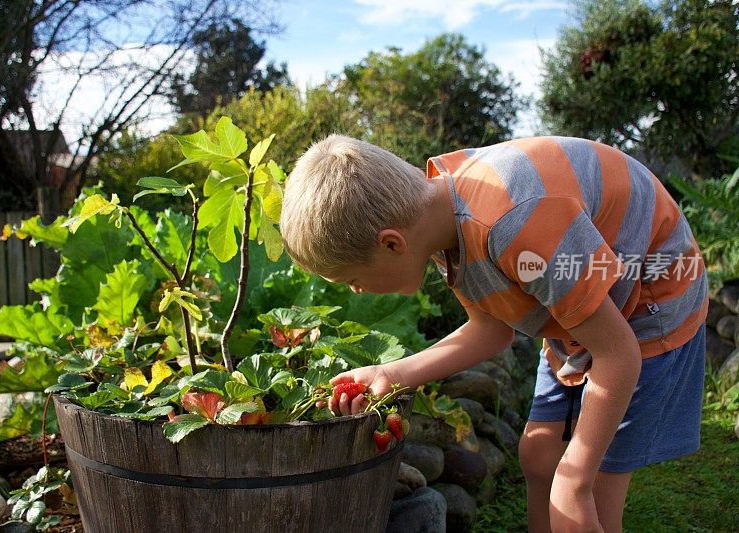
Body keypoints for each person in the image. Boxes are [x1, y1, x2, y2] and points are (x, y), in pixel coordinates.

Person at [280, 134, 707, 533]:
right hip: (587, 309)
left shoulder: (512, 223)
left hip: (649, 302)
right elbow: (491, 330)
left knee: (591, 484)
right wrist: (392, 374)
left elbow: (617, 354)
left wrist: (575, 478)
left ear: (392, 244)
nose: (356, 290)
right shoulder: (437, 219)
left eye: (351, 278)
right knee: (540, 455)